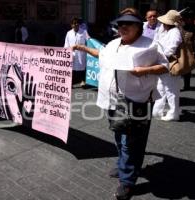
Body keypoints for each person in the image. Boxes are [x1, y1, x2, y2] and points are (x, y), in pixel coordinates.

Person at [73, 12, 168, 199]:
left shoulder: (150, 45)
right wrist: (82, 48)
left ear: (138, 28)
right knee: (119, 135)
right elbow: (100, 54)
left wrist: (146, 70)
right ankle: (125, 165)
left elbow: (165, 66)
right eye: (121, 24)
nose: (123, 27)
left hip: (137, 101)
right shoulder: (113, 44)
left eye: (128, 24)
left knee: (132, 142)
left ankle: (127, 181)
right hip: (112, 100)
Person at [152, 10, 183, 121]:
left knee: (171, 90)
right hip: (163, 64)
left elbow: (171, 49)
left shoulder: (175, 32)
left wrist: (161, 57)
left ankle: (173, 114)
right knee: (161, 88)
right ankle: (157, 111)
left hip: (169, 64)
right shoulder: (166, 30)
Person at [64, 17, 90, 87]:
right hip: (72, 53)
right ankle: (71, 82)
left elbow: (89, 40)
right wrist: (66, 52)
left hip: (81, 53)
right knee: (71, 69)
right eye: (73, 23)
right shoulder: (69, 33)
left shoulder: (84, 32)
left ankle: (83, 81)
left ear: (79, 24)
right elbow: (66, 43)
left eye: (76, 23)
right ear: (71, 25)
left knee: (82, 67)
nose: (75, 25)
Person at [180, 9, 195, 90]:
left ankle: (187, 85)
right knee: (178, 68)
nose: (189, 20)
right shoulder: (180, 27)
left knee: (188, 69)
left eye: (190, 18)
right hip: (180, 49)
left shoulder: (194, 28)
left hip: (189, 50)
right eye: (187, 18)